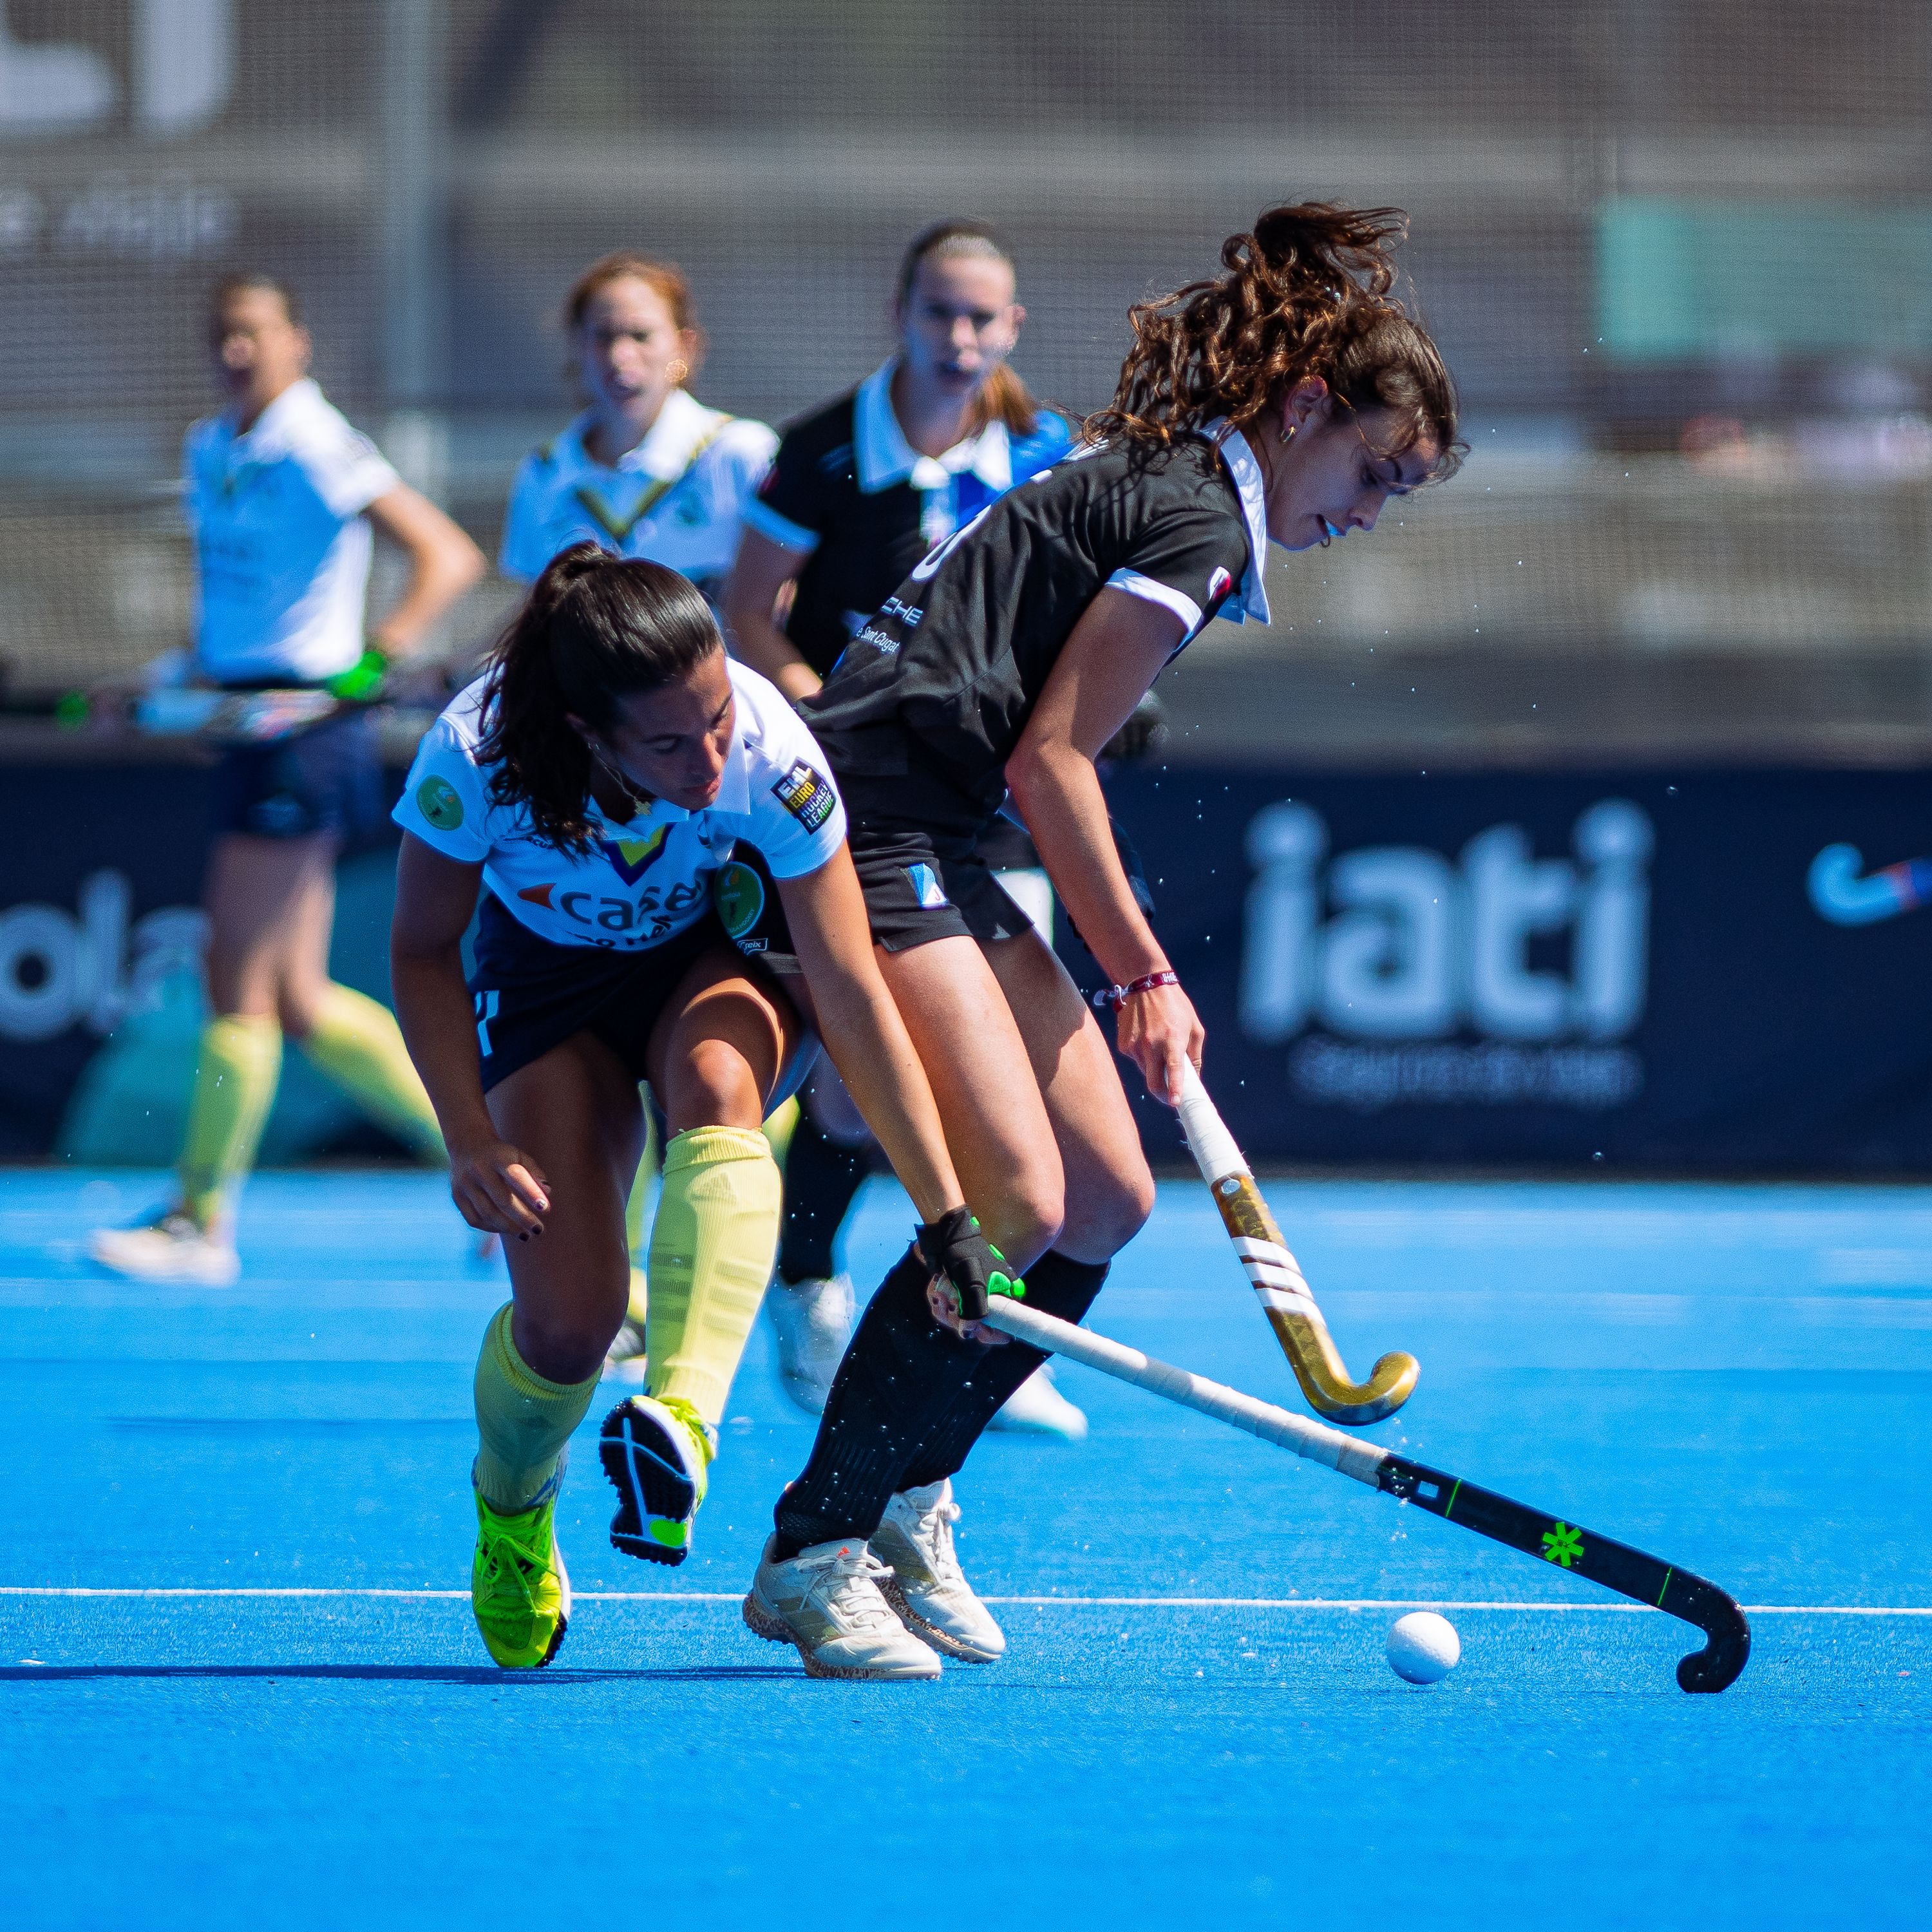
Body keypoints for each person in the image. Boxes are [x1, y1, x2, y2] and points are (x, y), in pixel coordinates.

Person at [743, 204, 1462, 1676]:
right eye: (1375, 474)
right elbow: (1053, 765)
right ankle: (814, 1549)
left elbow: (1035, 741)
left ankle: (910, 1497)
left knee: (1108, 1202)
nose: (1370, 512)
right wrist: (1141, 969)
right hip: (866, 822)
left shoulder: (1179, 485)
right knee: (1012, 1201)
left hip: (930, 826)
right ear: (1308, 406)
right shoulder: (1197, 518)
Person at [389, 544, 1008, 1676]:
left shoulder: (770, 751)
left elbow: (850, 986)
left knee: (719, 1090)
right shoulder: (475, 754)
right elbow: (422, 951)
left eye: (718, 718)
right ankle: (514, 1508)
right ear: (585, 731)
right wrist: (468, 1138)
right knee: (568, 1332)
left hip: (708, 965)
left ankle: (682, 1421)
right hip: (546, 997)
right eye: (672, 743)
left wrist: (946, 1213)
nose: (710, 756)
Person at [723, 218, 1083, 1431]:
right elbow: (747, 612)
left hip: (989, 805)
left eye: (982, 319)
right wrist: (820, 703)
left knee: (1009, 1085)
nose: (960, 338)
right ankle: (810, 1282)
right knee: (849, 1095)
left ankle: (978, 1325)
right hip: (859, 808)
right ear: (902, 313)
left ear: (1013, 328)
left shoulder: (1042, 449)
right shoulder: (823, 453)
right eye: (940, 313)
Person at [89, 273, 485, 1287]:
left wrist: (372, 658)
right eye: (222, 334)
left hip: (304, 731)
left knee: (239, 983)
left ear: (296, 344)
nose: (237, 352)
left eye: (254, 334)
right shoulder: (212, 444)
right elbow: (234, 608)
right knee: (300, 1000)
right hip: (241, 720)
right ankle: (492, 1169)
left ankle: (199, 1223)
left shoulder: (316, 439)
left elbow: (446, 555)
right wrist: (170, 679)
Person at [498, 251, 780, 1376]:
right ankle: (609, 1276)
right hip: (608, 807)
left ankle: (759, 1271)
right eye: (601, 339)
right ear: (573, 355)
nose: (620, 359)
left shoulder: (741, 459)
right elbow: (531, 651)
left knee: (736, 1061)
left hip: (727, 795)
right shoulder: (544, 477)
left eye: (642, 338)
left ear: (685, 351)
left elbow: (772, 617)